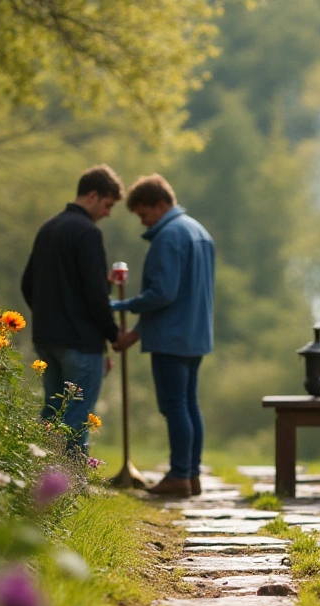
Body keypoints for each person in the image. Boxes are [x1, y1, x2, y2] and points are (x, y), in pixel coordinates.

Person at [113, 174, 215, 497]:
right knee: (188, 404)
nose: (143, 222)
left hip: (171, 337)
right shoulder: (199, 232)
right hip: (195, 333)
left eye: (144, 214)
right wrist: (139, 332)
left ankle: (179, 475)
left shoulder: (169, 236)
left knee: (174, 405)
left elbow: (163, 293)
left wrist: (122, 304)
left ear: (161, 204)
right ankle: (192, 474)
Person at [21, 165, 127, 454]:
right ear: (92, 196)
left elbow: (27, 284)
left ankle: (38, 477)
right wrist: (113, 333)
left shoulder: (48, 228)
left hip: (47, 340)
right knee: (76, 417)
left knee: (51, 413)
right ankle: (70, 485)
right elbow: (94, 295)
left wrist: (48, 316)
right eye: (107, 205)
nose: (108, 213)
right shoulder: (87, 233)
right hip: (81, 343)